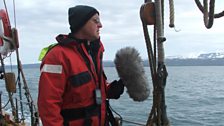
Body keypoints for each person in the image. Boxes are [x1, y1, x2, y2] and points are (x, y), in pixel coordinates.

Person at [38, 5, 124, 126]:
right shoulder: (57, 56)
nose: (100, 25)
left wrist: (112, 89)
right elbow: (48, 106)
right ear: (81, 23)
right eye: (96, 21)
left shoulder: (94, 51)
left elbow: (93, 87)